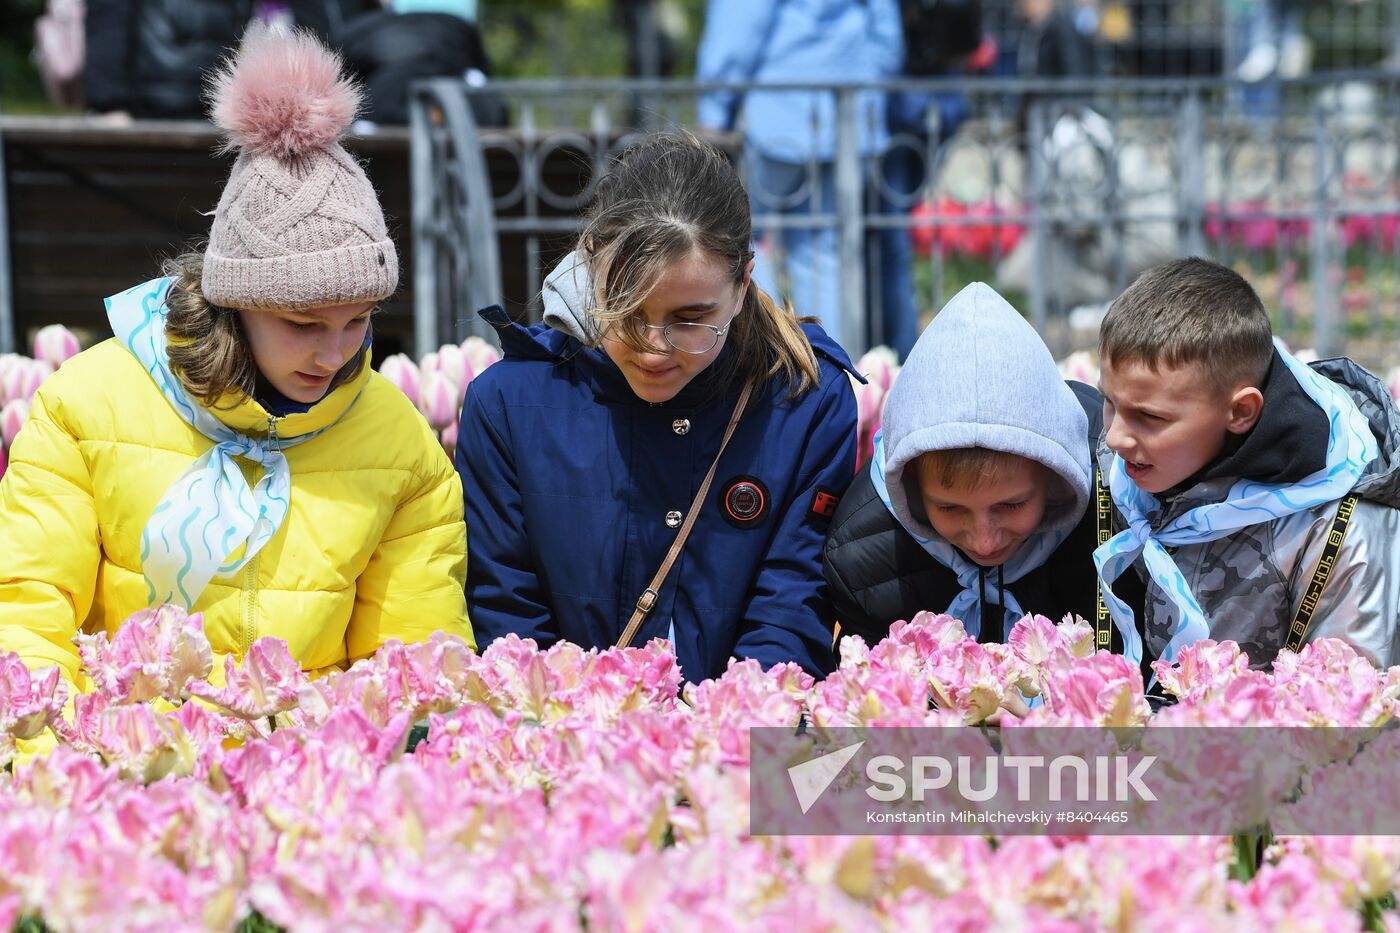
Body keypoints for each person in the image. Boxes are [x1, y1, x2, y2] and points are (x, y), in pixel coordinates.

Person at [0, 26, 473, 695]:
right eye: (303, 323)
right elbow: (25, 614)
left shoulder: (401, 445)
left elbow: (417, 665)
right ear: (235, 302)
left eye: (359, 322)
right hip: (124, 766)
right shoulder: (84, 404)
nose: (336, 354)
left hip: (314, 777)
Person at [457, 133, 860, 682]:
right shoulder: (508, 405)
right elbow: (509, 622)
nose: (653, 347)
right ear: (590, 265)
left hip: (736, 745)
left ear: (742, 283)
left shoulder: (806, 400)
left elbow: (792, 608)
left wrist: (725, 732)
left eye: (690, 319)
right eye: (626, 311)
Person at [1095, 257, 1400, 671]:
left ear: (1240, 412)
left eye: (1149, 417)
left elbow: (1345, 711)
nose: (1115, 437)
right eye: (1110, 404)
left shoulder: (1339, 528)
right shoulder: (1130, 468)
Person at [824, 281, 1144, 655]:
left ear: (1056, 477)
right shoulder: (863, 556)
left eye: (1011, 505)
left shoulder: (1116, 511)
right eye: (949, 508)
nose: (985, 540)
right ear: (909, 484)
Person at [695, 0, 903, 346]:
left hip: (780, 114)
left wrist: (714, 109)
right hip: (849, 117)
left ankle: (772, 357)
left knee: (739, 239)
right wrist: (866, 85)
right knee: (823, 255)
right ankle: (830, 372)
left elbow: (738, 28)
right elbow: (887, 37)